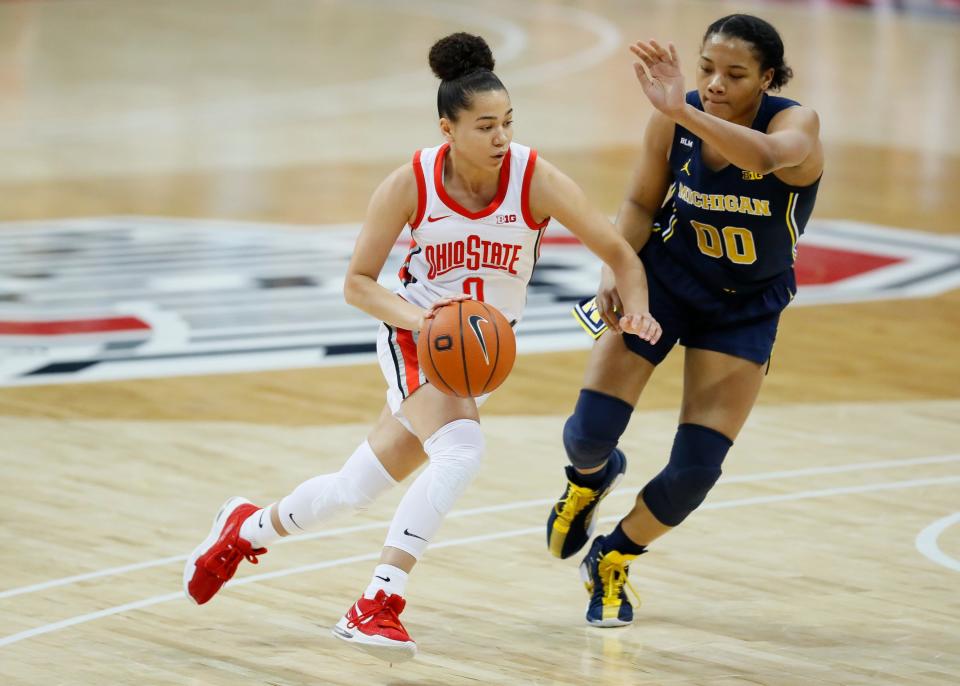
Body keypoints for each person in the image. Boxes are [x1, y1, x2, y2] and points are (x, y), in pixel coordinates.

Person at [182, 32, 662, 662]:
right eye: (486, 125)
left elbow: (621, 254)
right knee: (462, 452)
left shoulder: (533, 178)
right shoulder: (409, 184)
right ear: (448, 129)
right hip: (416, 334)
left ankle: (243, 527)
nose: (501, 137)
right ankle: (377, 602)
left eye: (508, 123)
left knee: (356, 488)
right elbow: (357, 284)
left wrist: (640, 310)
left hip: (482, 348)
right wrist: (418, 320)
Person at [545, 14, 823, 627]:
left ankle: (613, 554)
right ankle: (590, 479)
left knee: (696, 471)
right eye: (706, 70)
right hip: (666, 281)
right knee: (589, 434)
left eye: (735, 74)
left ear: (768, 79)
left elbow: (772, 157)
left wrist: (685, 111)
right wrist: (616, 269)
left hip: (743, 307)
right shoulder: (675, 118)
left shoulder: (794, 124)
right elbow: (642, 201)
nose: (716, 83)